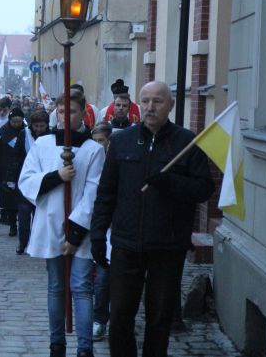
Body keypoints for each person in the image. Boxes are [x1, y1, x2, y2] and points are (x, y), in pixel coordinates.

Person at [91, 81, 214, 357]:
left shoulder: (186, 143)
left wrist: (172, 182)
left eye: (157, 101)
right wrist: (98, 234)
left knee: (159, 318)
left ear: (170, 105)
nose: (150, 107)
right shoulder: (121, 141)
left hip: (167, 246)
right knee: (120, 315)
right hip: (125, 242)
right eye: (145, 101)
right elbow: (106, 192)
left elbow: (204, 189)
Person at [18, 91, 105, 357]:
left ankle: (84, 347)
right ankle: (57, 343)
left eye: (73, 111)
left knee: (80, 286)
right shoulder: (43, 143)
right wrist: (57, 176)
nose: (66, 116)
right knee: (56, 287)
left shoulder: (94, 149)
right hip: (49, 223)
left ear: (83, 113)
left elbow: (93, 193)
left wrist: (75, 233)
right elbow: (27, 180)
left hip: (79, 228)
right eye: (61, 111)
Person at [12, 110, 50, 254]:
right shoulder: (24, 134)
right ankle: (23, 242)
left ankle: (36, 241)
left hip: (43, 180)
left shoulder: (52, 136)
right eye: (36, 126)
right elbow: (16, 156)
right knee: (23, 212)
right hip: (26, 179)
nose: (39, 129)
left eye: (42, 126)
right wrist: (11, 178)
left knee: (39, 213)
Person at [89, 121, 113, 342]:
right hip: (95, 227)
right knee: (101, 279)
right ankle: (99, 319)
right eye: (94, 141)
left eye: (101, 141)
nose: (98, 146)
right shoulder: (89, 161)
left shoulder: (115, 162)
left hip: (115, 227)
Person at [0, 107, 27, 238]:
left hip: (22, 168)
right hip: (6, 168)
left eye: (19, 121)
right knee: (9, 199)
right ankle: (12, 224)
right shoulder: (3, 131)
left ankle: (23, 225)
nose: (16, 124)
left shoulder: (27, 132)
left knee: (22, 199)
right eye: (14, 121)